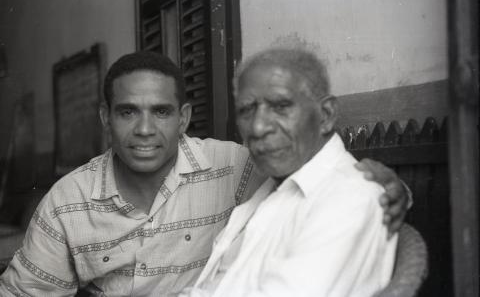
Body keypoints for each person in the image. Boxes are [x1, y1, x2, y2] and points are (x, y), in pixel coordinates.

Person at [0, 51, 408, 296]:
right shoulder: (67, 203)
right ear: (106, 118)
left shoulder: (237, 167)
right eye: (127, 112)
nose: (144, 130)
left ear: (183, 119)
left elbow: (327, 179)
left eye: (161, 112)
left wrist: (390, 186)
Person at [181, 48, 399, 297]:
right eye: (246, 110)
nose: (259, 127)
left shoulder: (348, 198)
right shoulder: (275, 187)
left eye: (281, 106)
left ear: (325, 115)